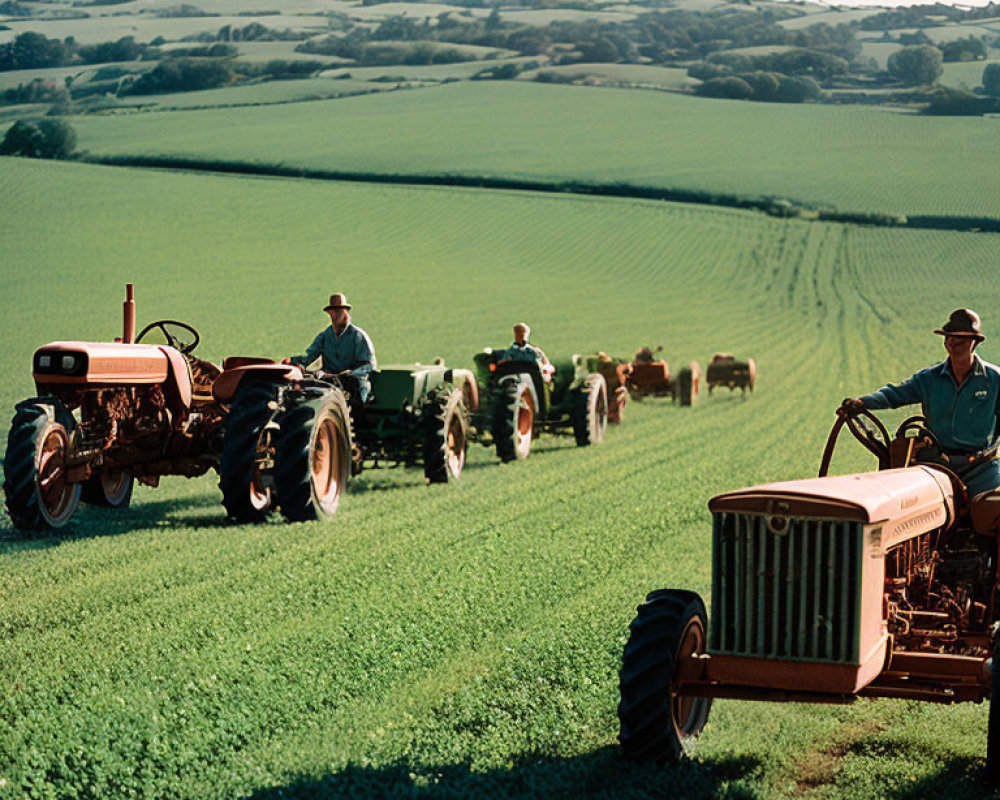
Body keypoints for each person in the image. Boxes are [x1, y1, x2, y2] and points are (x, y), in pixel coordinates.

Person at [842, 308, 1000, 496]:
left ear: (975, 342)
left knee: (990, 513)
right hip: (936, 467)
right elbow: (893, 395)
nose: (952, 343)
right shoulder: (928, 379)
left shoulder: (995, 380)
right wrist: (862, 402)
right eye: (949, 337)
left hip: (982, 469)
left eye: (960, 339)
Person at [286, 293, 376, 402]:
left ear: (346, 312)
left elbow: (368, 366)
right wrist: (293, 362)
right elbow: (308, 357)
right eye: (333, 312)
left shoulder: (358, 336)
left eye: (339, 311)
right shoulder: (324, 336)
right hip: (331, 382)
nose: (336, 315)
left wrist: (350, 374)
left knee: (357, 391)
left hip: (354, 383)